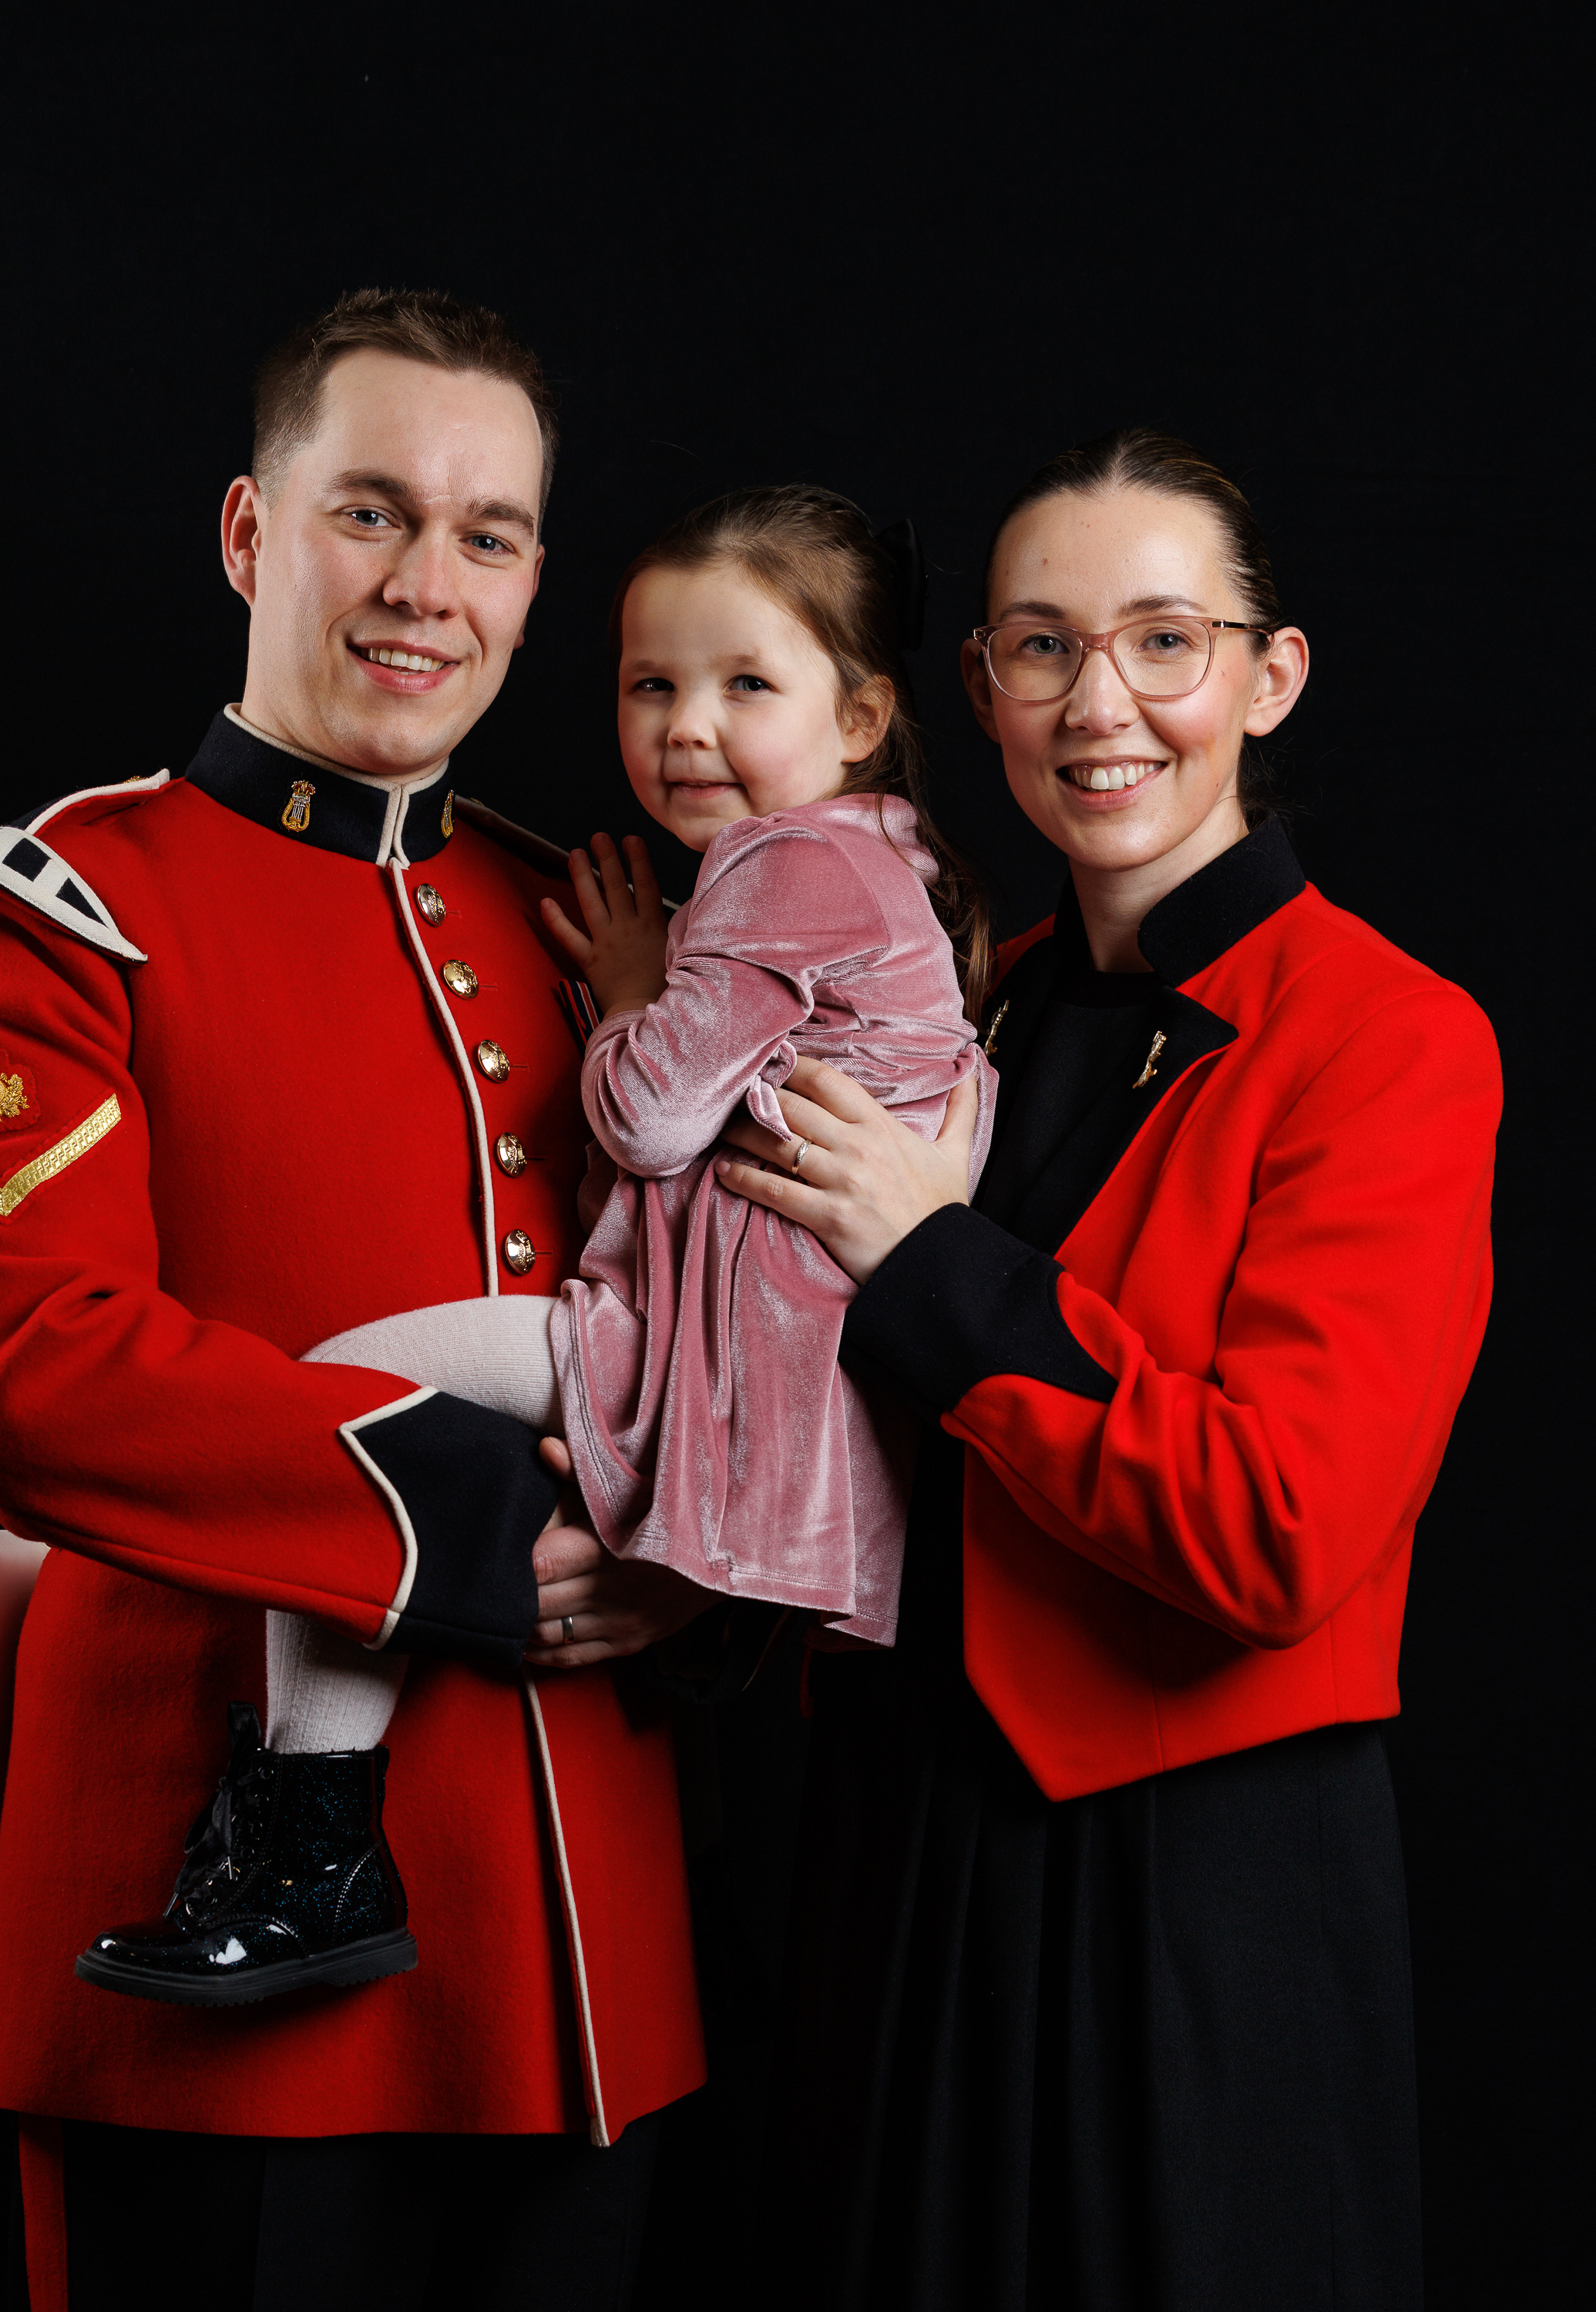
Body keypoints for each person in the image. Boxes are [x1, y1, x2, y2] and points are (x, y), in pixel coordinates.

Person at [0, 287, 711, 2311]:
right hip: (212, 1964)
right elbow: (30, 1372)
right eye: (372, 513)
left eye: (489, 536)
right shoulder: (59, 915)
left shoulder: (580, 923)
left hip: (590, 1963)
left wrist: (700, 1565)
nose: (430, 585)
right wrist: (513, 1537)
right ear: (250, 533)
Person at [720, 430, 1501, 2311]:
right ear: (979, 685)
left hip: (1189, 1895)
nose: (1104, 705)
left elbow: (1275, 1530)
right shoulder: (957, 996)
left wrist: (936, 1264)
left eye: (1167, 641)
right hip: (898, 1854)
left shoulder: (1389, 1038)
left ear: (1268, 675)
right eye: (1045, 646)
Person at [120, 487, 990, 1949]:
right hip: (740, 1349)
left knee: (336, 1407)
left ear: (860, 717)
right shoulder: (857, 858)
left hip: (705, 1355)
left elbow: (651, 1114)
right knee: (364, 1416)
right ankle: (311, 1838)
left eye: (744, 685)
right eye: (651, 684)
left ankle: (309, 1837)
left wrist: (640, 999)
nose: (686, 726)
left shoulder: (788, 867)